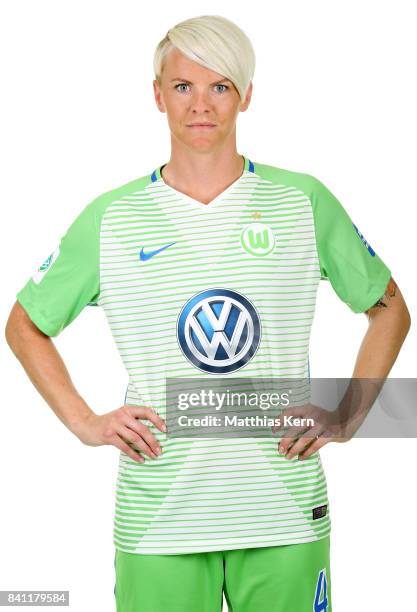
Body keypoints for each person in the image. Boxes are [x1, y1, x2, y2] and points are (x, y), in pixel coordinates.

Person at [5, 13, 411, 612]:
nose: (201, 105)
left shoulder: (302, 201)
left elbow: (390, 309)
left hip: (283, 512)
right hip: (159, 517)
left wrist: (348, 416)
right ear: (157, 95)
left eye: (220, 85)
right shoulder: (112, 218)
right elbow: (25, 324)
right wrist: (85, 421)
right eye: (183, 86)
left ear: (246, 95)